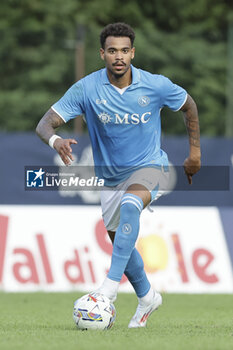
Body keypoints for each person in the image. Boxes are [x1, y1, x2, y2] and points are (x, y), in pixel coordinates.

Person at [36, 22, 201, 328]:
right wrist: (55, 140)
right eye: (112, 50)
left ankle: (108, 289)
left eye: (125, 50)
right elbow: (45, 123)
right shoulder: (87, 88)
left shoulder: (155, 85)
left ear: (133, 52)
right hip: (110, 179)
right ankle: (148, 296)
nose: (119, 56)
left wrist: (195, 154)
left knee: (130, 203)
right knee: (120, 240)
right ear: (102, 54)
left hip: (154, 168)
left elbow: (188, 105)